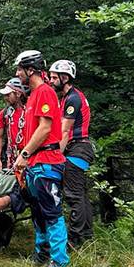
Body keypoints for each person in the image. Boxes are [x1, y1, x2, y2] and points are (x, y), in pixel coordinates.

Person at [13, 49, 70, 267]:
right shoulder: (33, 95)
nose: (18, 74)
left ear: (31, 70)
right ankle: (41, 254)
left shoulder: (45, 91)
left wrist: (25, 153)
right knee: (37, 211)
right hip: (34, 164)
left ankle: (59, 261)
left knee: (52, 212)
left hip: (47, 162)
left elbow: (46, 128)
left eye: (20, 69)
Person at [49, 60, 94, 248]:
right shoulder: (66, 98)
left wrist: (55, 157)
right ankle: (86, 235)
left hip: (78, 148)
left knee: (73, 195)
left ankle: (75, 240)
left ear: (65, 78)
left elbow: (65, 131)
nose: (50, 81)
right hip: (77, 148)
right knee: (80, 195)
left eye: (53, 77)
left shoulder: (73, 99)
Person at [0, 77, 27, 170]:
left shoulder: (29, 111)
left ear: (18, 94)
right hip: (12, 158)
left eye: (8, 95)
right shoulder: (5, 113)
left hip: (28, 157)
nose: (5, 98)